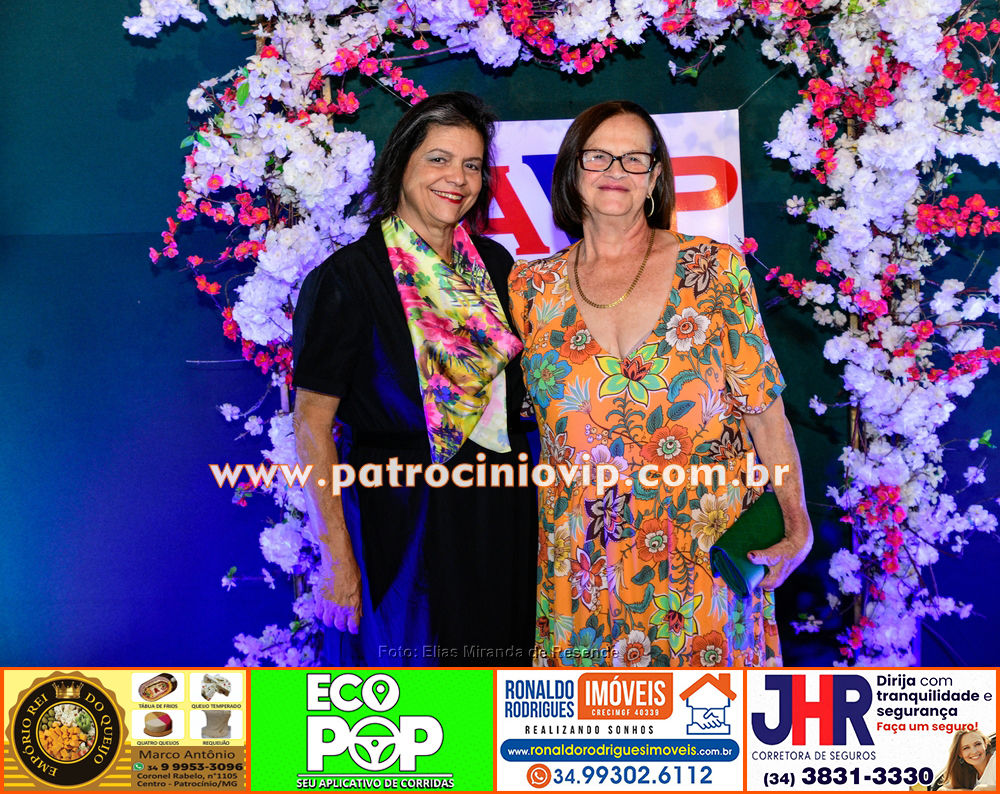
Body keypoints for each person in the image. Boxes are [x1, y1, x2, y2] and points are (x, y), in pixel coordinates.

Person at [509, 100, 812, 668]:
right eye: (598, 156)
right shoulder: (529, 288)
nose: (615, 171)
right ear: (572, 171)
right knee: (591, 725)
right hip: (584, 568)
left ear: (654, 178)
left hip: (703, 559)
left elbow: (765, 413)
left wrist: (797, 522)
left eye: (634, 159)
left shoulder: (714, 270)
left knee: (709, 722)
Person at [292, 92, 536, 666]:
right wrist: (337, 558)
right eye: (438, 159)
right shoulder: (347, 279)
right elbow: (310, 425)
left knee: (500, 683)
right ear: (401, 163)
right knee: (413, 693)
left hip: (497, 514)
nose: (458, 179)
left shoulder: (495, 266)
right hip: (400, 521)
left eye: (472, 165)